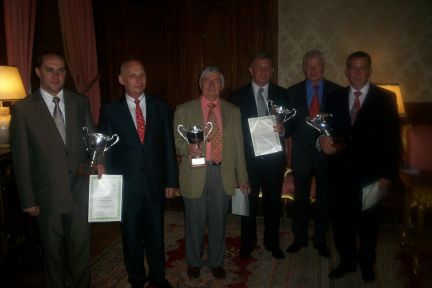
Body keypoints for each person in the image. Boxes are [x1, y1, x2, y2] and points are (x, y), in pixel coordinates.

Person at [10, 52, 102, 288]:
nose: (56, 75)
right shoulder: (23, 110)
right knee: (52, 256)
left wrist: (99, 160)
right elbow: (21, 159)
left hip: (79, 191)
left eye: (61, 70)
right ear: (38, 72)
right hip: (47, 196)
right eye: (50, 70)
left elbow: (91, 138)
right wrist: (28, 199)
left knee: (81, 252)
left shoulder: (79, 102)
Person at [319, 51, 400, 282]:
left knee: (368, 224)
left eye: (361, 68)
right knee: (342, 223)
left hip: (372, 176)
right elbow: (327, 132)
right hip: (340, 174)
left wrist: (387, 175)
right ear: (346, 71)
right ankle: (347, 262)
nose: (356, 72)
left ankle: (367, 264)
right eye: (352, 68)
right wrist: (322, 140)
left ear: (369, 71)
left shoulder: (386, 98)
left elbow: (393, 141)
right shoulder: (334, 97)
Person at [98, 59, 178, 288]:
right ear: (121, 80)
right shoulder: (110, 111)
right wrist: (106, 179)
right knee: (131, 237)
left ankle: (158, 277)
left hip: (154, 184)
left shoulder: (161, 107)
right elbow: (106, 149)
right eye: (132, 75)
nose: (139, 79)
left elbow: (168, 146)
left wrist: (171, 180)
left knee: (156, 234)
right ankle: (136, 278)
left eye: (142, 74)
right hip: (126, 187)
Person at [174, 66, 249, 279]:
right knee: (194, 222)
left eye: (216, 81)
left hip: (222, 172)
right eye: (207, 80)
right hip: (194, 171)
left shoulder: (233, 111)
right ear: (200, 83)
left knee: (219, 222)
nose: (211, 84)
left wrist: (242, 177)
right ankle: (193, 262)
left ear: (222, 85)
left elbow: (238, 147)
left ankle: (216, 261)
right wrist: (186, 148)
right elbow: (177, 142)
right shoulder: (184, 109)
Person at [229, 52, 288, 259]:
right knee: (248, 204)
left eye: (267, 68)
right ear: (251, 70)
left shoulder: (283, 94)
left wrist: (282, 129)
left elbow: (292, 125)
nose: (263, 72)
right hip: (247, 162)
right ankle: (248, 242)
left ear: (272, 70)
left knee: (273, 204)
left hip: (274, 161)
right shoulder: (236, 97)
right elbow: (232, 132)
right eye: (259, 67)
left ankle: (272, 242)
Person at [285, 50, 342, 257]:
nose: (313, 69)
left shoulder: (337, 91)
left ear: (323, 66)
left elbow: (341, 125)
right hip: (301, 154)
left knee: (324, 200)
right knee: (300, 199)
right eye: (309, 66)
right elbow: (289, 126)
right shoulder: (292, 92)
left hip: (327, 155)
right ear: (304, 68)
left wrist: (334, 141)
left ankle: (320, 239)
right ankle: (299, 238)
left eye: (317, 65)